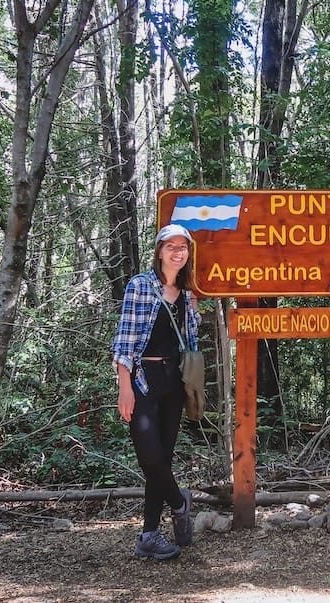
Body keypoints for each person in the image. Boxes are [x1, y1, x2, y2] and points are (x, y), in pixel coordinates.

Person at [111, 223, 200, 559]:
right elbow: (125, 340)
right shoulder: (140, 286)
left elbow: (190, 340)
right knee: (149, 456)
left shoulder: (189, 294)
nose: (177, 252)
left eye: (183, 247)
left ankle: (149, 535)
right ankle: (179, 502)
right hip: (143, 379)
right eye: (170, 246)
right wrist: (125, 387)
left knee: (160, 458)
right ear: (159, 250)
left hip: (173, 381)